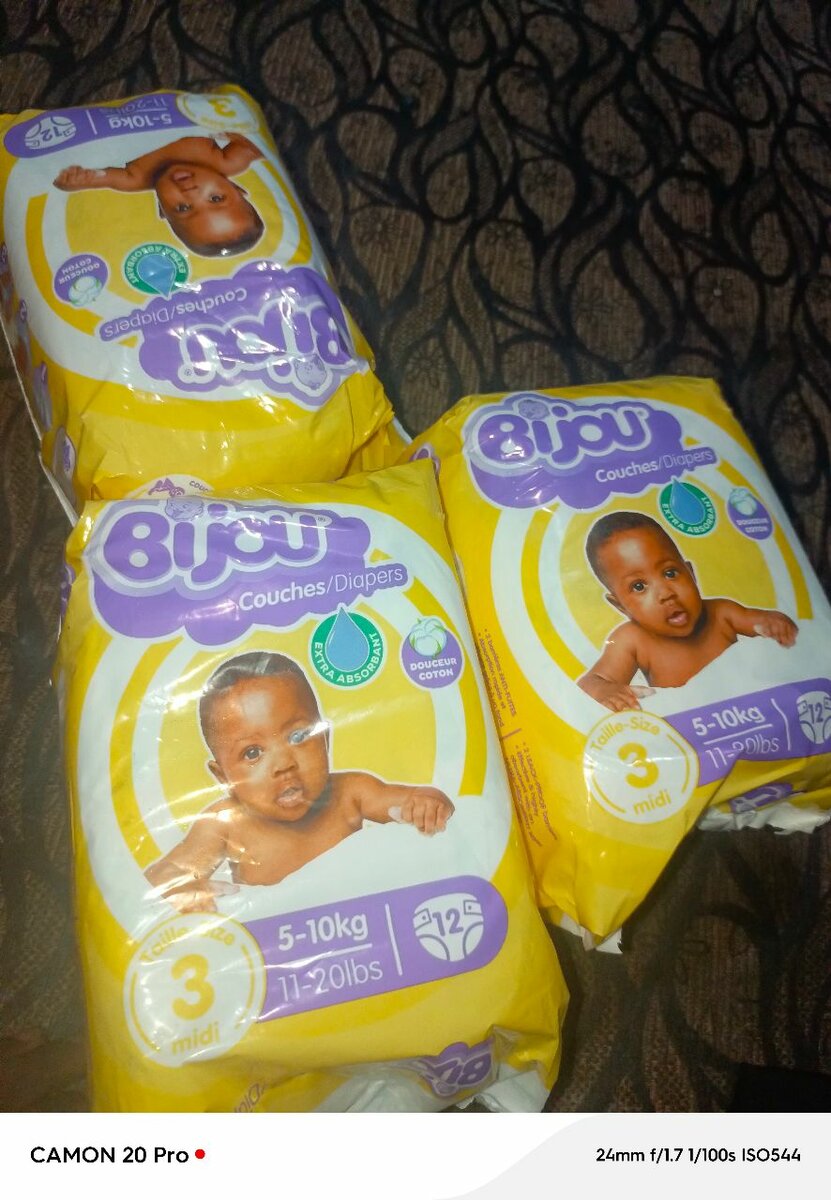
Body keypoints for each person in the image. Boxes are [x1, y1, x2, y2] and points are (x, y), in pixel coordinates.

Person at [145, 650, 455, 912]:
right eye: (252, 753)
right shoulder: (225, 823)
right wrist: (185, 890)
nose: (284, 764)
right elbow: (163, 875)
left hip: (360, 913)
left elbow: (416, 802)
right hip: (282, 931)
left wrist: (428, 804)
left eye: (298, 736)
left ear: (325, 738)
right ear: (222, 776)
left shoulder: (352, 792)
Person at [578, 511, 797, 712]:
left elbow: (763, 621)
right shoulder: (632, 639)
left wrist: (775, 623)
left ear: (690, 573)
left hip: (748, 707)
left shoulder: (722, 612)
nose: (666, 593)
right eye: (639, 586)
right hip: (691, 722)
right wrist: (605, 691)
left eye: (670, 573)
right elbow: (590, 682)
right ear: (620, 606)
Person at [53, 132, 264, 256]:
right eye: (215, 198)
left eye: (182, 207)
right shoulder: (227, 162)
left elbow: (99, 178)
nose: (191, 193)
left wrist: (75, 182)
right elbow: (253, 141)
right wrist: (235, 135)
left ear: (163, 209)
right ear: (236, 188)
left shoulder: (134, 179)